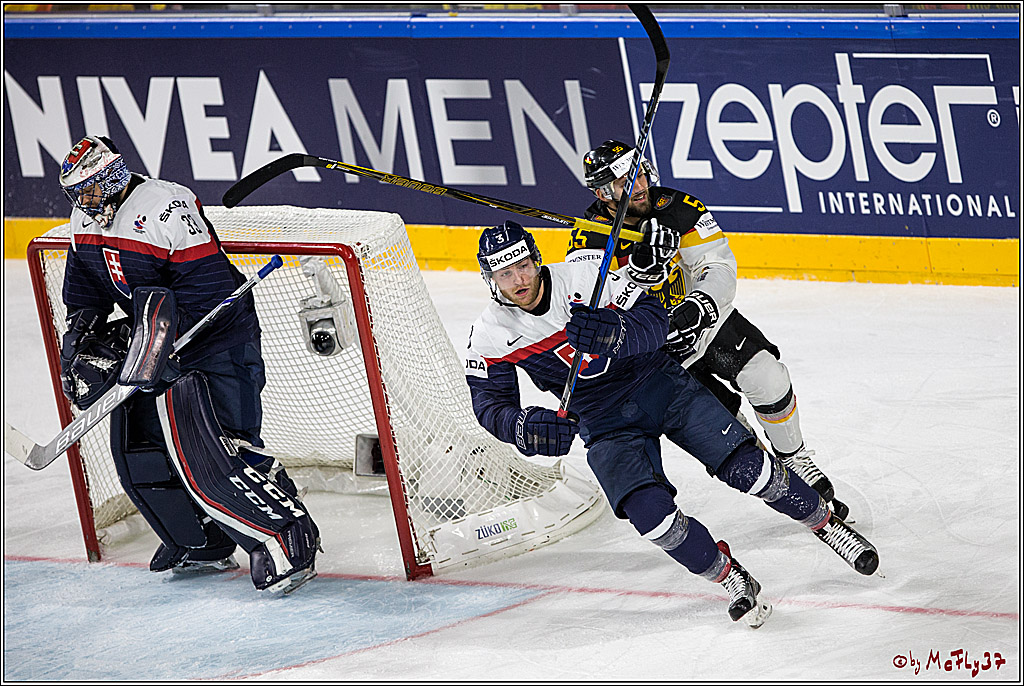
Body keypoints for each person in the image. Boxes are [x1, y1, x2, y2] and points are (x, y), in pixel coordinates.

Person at [463, 220, 878, 627]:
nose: (518, 280)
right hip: (604, 419)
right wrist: (523, 427)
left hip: (658, 383)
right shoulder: (489, 333)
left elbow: (655, 321)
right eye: (504, 272)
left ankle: (824, 522)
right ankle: (729, 575)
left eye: (522, 266)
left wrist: (617, 335)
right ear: (489, 279)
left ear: (537, 260)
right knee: (650, 515)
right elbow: (489, 404)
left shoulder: (588, 274)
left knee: (748, 469)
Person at [57, 135, 319, 593]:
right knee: (145, 452)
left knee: (226, 447)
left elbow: (207, 293)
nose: (85, 200)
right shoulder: (86, 217)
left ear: (113, 176)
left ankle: (289, 539)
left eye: (92, 189)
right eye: (78, 192)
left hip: (217, 340)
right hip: (155, 341)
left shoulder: (166, 208)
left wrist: (156, 347)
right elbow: (86, 289)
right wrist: (81, 332)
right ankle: (200, 542)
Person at [566, 139, 850, 520]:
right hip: (653, 351)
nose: (637, 185)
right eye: (622, 183)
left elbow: (717, 265)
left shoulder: (681, 208)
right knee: (730, 432)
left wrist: (700, 306)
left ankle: (795, 459)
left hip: (704, 321)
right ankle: (781, 481)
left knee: (768, 376)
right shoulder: (588, 239)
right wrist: (637, 273)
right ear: (603, 192)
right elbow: (597, 308)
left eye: (638, 173)